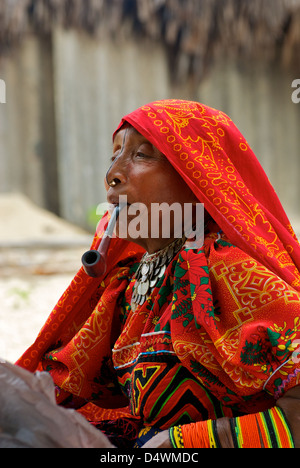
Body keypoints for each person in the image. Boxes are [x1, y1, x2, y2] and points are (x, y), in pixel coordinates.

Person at [17, 99, 300, 448]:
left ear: (198, 177)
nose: (113, 174)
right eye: (114, 157)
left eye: (142, 155)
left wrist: (187, 442)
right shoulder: (131, 283)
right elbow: (63, 382)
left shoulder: (227, 270)